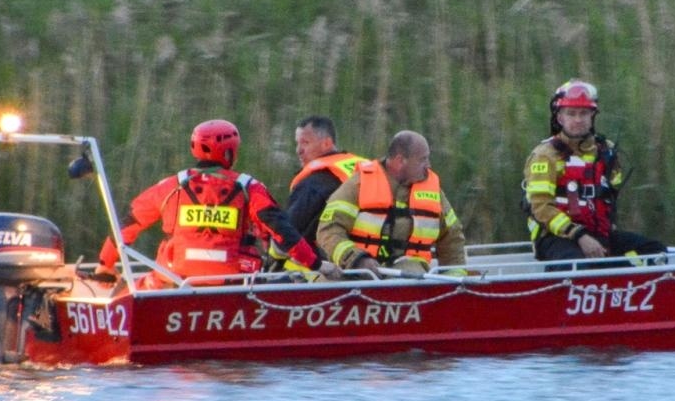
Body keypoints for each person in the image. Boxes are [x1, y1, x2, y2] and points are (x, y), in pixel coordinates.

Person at [97, 119, 339, 285]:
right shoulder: (248, 188)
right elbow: (283, 230)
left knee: (132, 286)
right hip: (234, 285)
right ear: (230, 152)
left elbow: (126, 225)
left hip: (174, 283)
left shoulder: (171, 187)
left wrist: (105, 265)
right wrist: (317, 264)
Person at [522, 79, 665, 264]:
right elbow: (541, 207)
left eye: (584, 113)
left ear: (592, 116)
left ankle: (636, 288)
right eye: (571, 114)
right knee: (577, 265)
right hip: (556, 237)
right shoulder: (546, 155)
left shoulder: (606, 151)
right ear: (560, 118)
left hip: (598, 233)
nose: (578, 120)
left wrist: (604, 231)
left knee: (655, 250)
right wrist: (579, 235)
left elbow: (609, 198)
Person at [316, 130, 467, 277]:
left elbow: (452, 237)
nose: (428, 165)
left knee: (409, 279)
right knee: (324, 285)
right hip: (357, 269)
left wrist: (454, 280)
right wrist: (356, 259)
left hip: (409, 271)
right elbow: (328, 230)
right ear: (400, 160)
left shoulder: (433, 191)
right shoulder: (359, 184)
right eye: (422, 159)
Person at [285, 115, 366, 247]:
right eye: (297, 143)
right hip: (370, 255)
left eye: (305, 143)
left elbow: (287, 231)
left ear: (327, 144)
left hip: (327, 260)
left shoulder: (315, 182)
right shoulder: (362, 167)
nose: (298, 150)